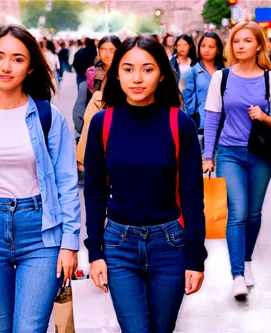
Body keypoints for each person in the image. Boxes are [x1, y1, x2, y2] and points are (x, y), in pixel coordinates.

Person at [0, 25, 81, 332]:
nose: (6, 67)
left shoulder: (49, 118)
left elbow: (66, 184)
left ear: (31, 66)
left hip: (41, 233)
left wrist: (69, 243)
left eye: (17, 59)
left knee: (29, 328)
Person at [84, 36, 207, 332]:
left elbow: (192, 195)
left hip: (170, 244)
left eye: (147, 69)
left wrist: (196, 258)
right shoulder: (103, 123)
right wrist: (95, 253)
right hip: (118, 244)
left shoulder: (181, 124)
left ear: (162, 73)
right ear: (116, 73)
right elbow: (94, 191)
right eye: (128, 69)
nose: (137, 78)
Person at [202, 21, 271, 299]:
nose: (240, 46)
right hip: (229, 153)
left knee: (253, 213)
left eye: (247, 41)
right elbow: (212, 117)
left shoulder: (269, 79)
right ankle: (237, 274)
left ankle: (247, 260)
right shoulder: (222, 77)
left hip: (261, 155)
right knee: (236, 213)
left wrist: (263, 117)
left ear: (259, 45)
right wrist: (207, 156)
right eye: (236, 41)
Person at [74, 35, 121, 143]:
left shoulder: (125, 76)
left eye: (112, 50)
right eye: (103, 49)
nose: (107, 54)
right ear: (98, 51)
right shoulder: (91, 76)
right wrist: (86, 129)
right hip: (93, 132)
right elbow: (78, 110)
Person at [181, 31, 225, 133]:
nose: (206, 50)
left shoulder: (224, 71)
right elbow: (188, 104)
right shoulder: (190, 73)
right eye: (203, 46)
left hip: (224, 123)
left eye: (211, 47)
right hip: (202, 124)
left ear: (218, 50)